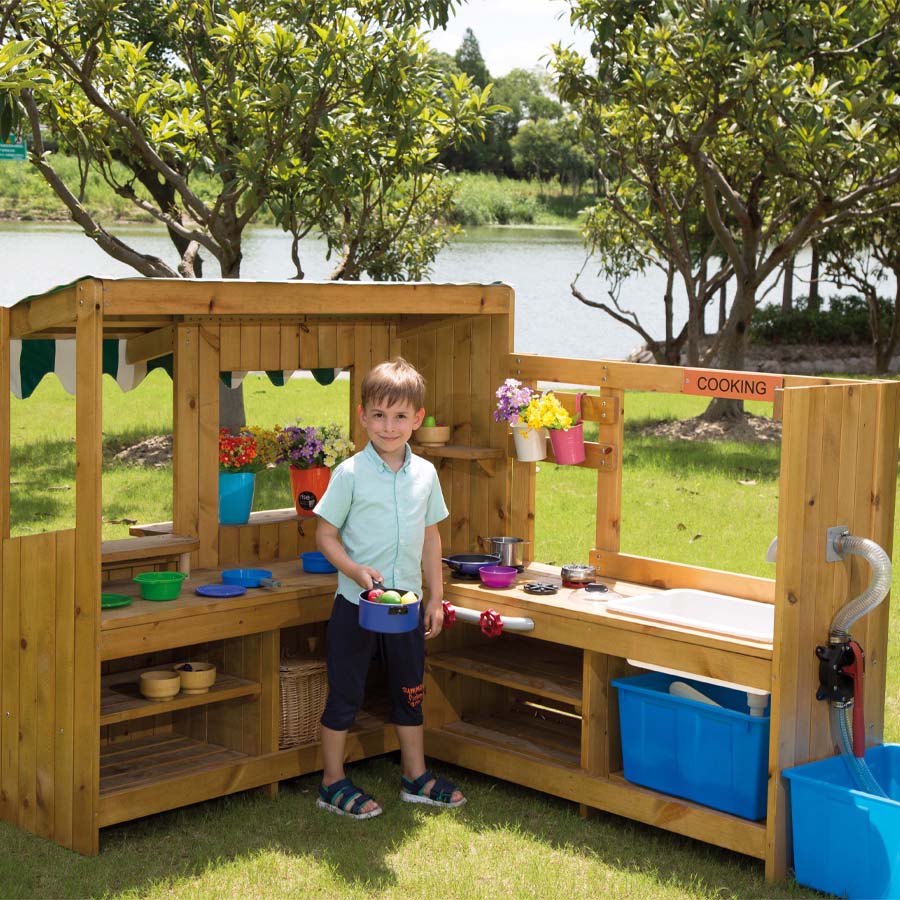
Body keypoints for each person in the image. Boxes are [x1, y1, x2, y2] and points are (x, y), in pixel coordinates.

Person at [314, 357, 466, 819]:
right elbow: (324, 534)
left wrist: (436, 598)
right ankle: (331, 782)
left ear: (417, 420)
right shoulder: (350, 474)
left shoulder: (426, 476)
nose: (388, 426)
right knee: (345, 693)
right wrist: (356, 570)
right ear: (362, 415)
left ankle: (414, 777)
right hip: (355, 607)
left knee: (410, 690)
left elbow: (432, 536)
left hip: (406, 608)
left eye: (400, 416)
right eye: (378, 415)